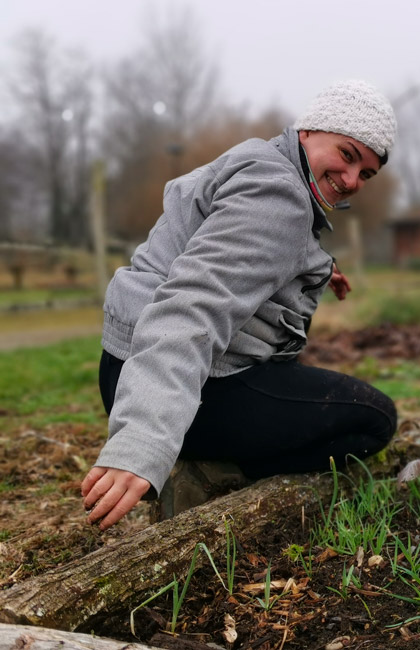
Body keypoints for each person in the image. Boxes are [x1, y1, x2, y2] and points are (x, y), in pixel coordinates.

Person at [82, 80, 399, 530]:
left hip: (122, 365)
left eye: (366, 174)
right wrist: (142, 441)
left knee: (299, 382)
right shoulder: (281, 199)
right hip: (183, 391)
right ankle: (214, 475)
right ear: (308, 131)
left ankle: (204, 455)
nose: (351, 180)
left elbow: (223, 250)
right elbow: (192, 306)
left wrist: (319, 270)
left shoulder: (261, 162)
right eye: (347, 155)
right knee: (374, 419)